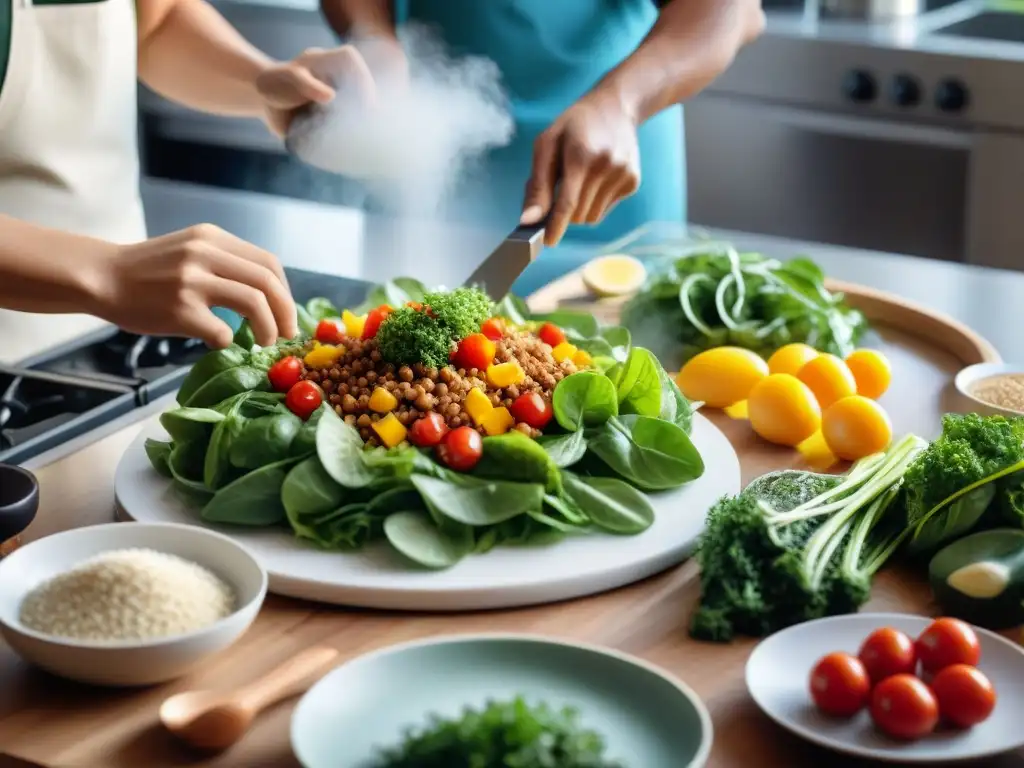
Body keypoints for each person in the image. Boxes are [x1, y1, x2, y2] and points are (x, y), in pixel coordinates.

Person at [0, 0, 375, 349]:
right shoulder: (113, 275)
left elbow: (157, 22)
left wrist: (260, 81)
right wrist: (108, 273)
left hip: (119, 326)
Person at [319, 0, 765, 294]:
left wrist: (622, 103)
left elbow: (733, 9)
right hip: (423, 142)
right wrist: (372, 38)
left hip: (605, 154)